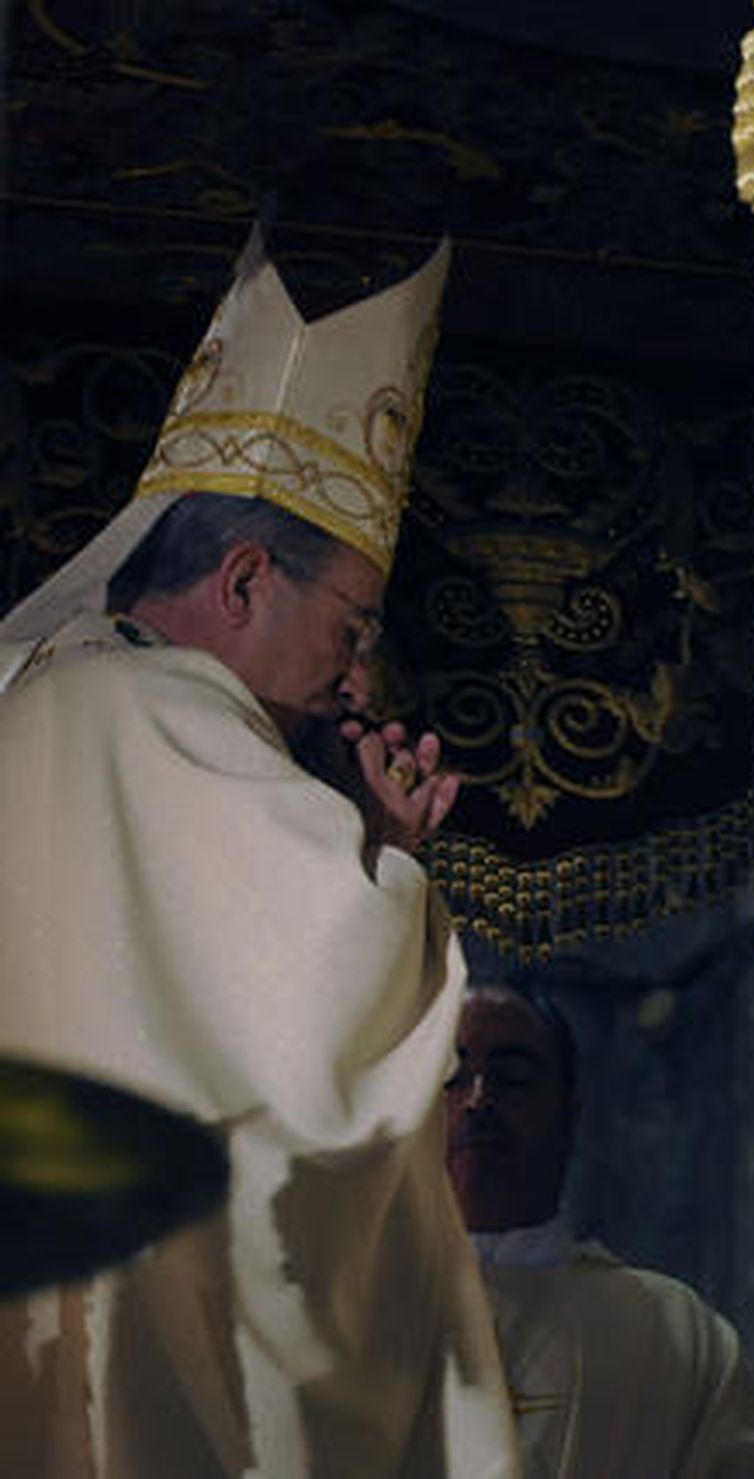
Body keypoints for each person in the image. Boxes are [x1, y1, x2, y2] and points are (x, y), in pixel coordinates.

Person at [0, 229, 518, 1475]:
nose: (351, 678)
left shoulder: (34, 701)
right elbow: (323, 1017)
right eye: (346, 628)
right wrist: (386, 865)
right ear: (243, 581)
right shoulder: (171, 721)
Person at [445, 983, 754, 1478]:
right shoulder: (358, 1310)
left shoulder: (672, 1333)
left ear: (569, 1114)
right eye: (451, 1078)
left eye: (512, 1078)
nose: (478, 1101)